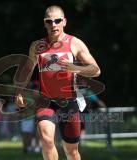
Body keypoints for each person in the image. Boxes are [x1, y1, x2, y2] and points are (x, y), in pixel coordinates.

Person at [15, 5, 100, 160]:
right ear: (45, 23)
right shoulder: (37, 46)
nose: (53, 24)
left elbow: (96, 70)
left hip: (69, 102)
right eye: (49, 21)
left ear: (64, 22)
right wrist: (19, 91)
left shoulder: (75, 43)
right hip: (46, 101)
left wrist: (74, 67)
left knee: (71, 152)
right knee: (46, 140)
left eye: (57, 20)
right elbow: (27, 69)